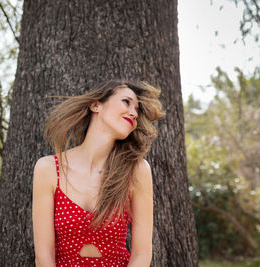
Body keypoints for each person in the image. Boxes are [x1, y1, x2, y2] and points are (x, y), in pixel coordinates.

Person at [32, 79, 166, 266]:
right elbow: (44, 257)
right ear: (96, 105)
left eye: (137, 110)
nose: (134, 113)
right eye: (126, 102)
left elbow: (142, 255)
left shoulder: (136, 171)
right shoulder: (47, 169)